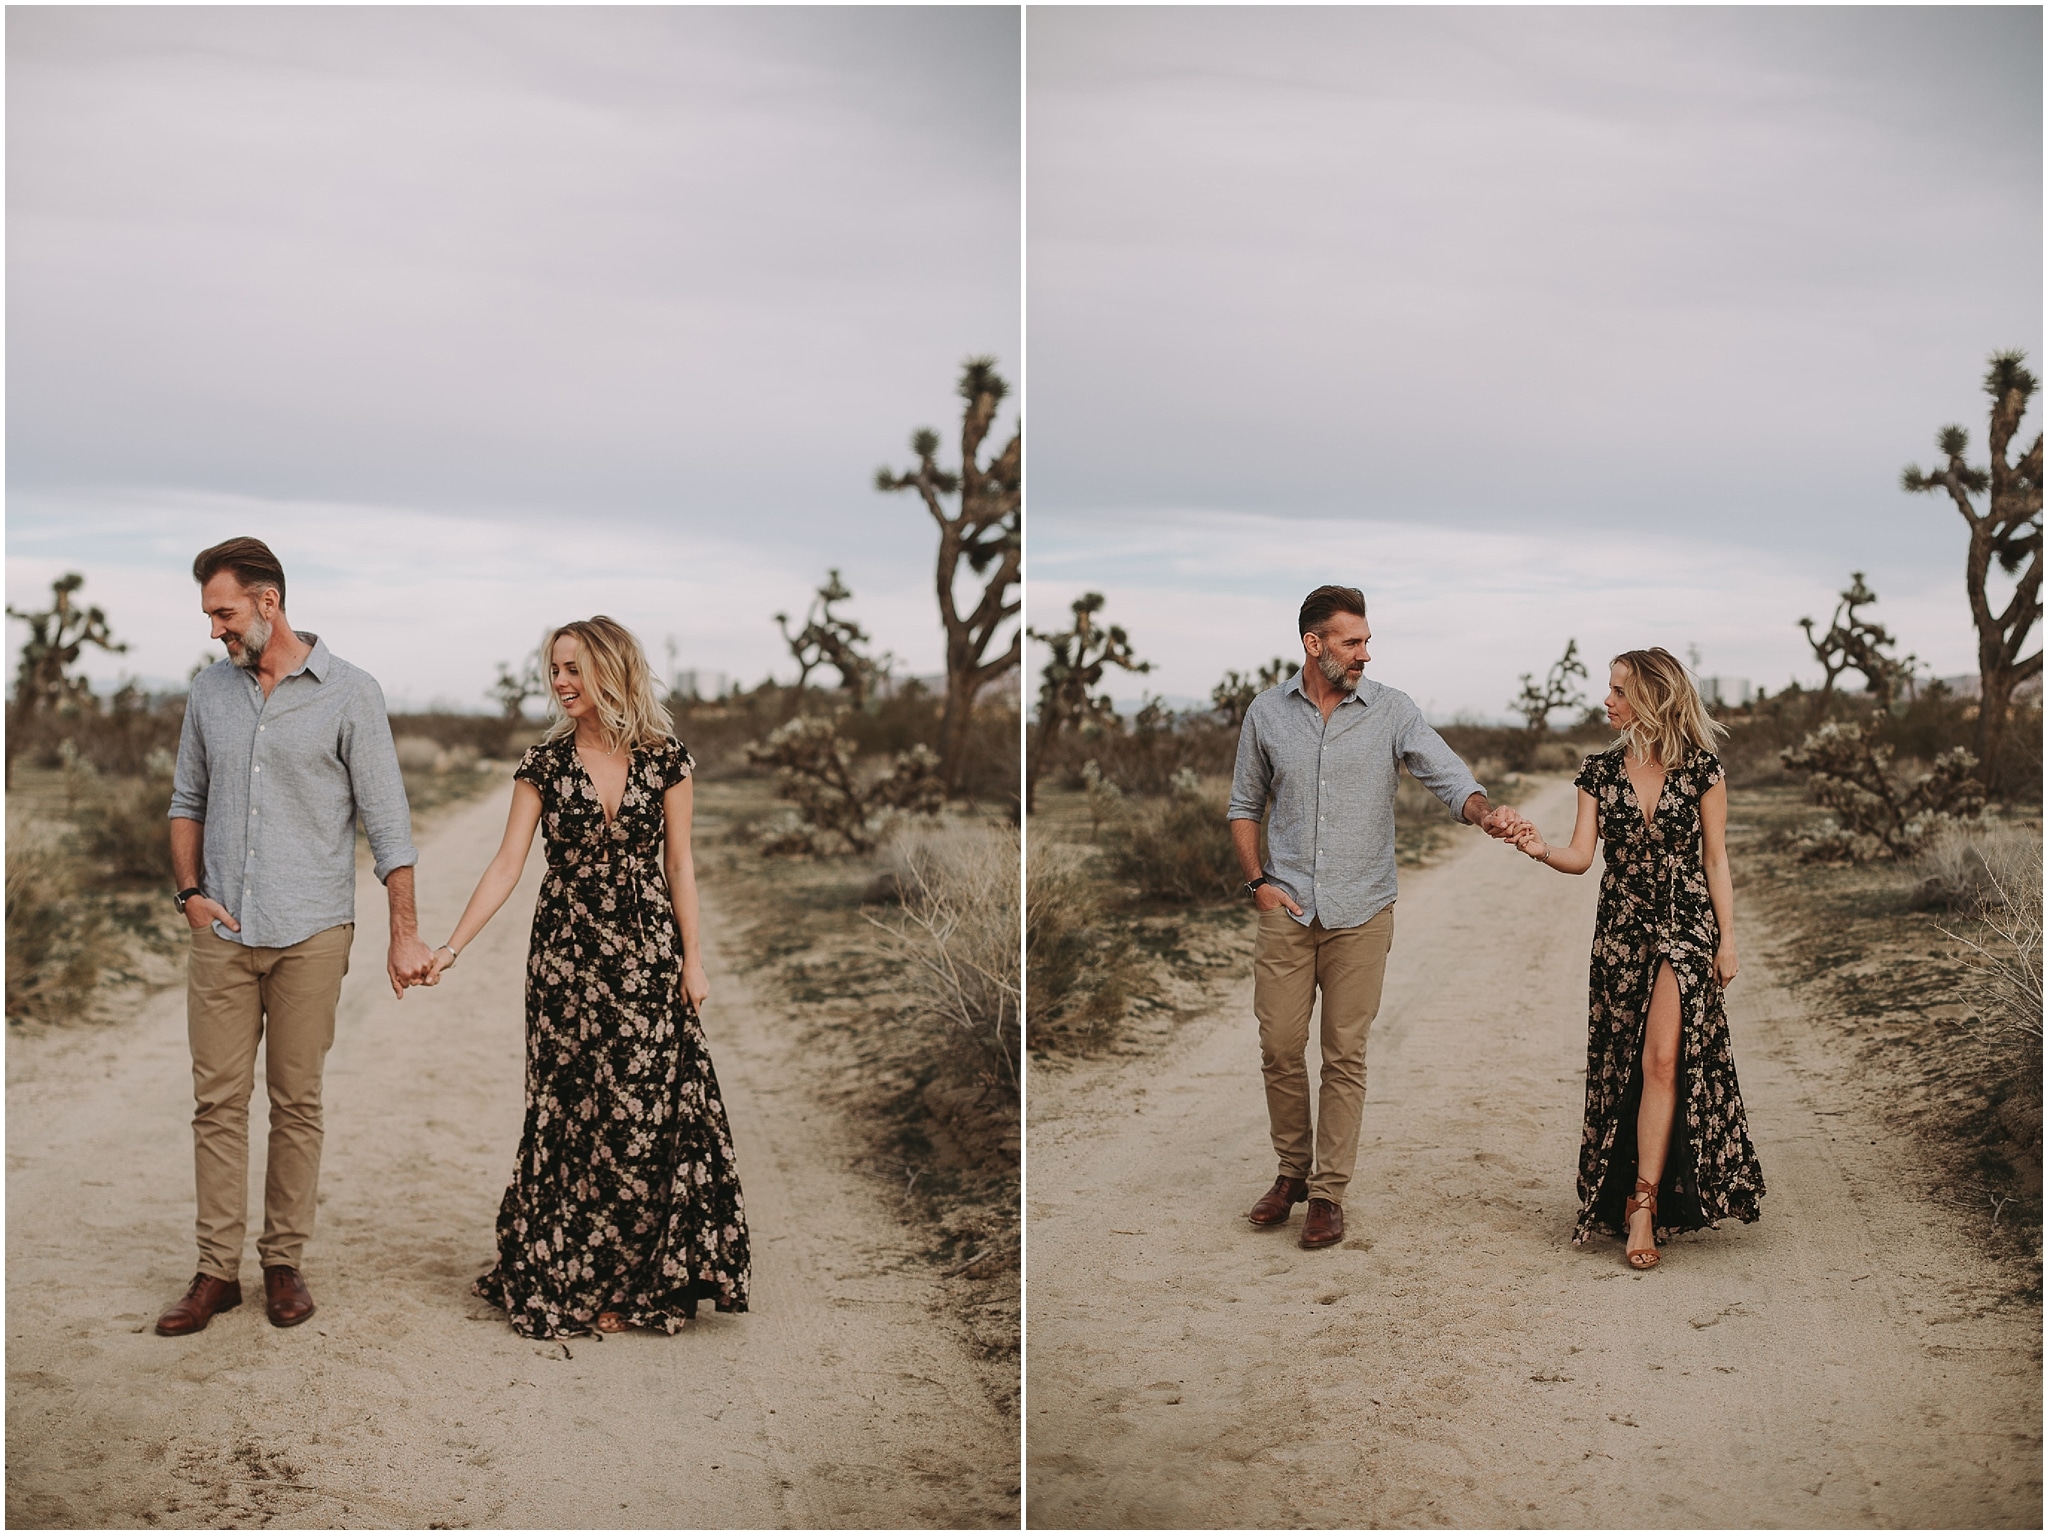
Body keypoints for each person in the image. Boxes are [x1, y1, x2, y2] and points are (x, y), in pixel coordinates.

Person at [425, 615, 750, 1337]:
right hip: (566, 960)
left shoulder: (667, 758)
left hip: (646, 954)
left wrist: (693, 960)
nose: (560, 681)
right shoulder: (543, 764)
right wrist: (452, 946)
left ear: (610, 669)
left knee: (641, 1117)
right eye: (555, 669)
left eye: (572, 667)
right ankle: (577, 1273)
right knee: (574, 1114)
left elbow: (680, 865)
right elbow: (507, 864)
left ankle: (637, 1280)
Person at [158, 537, 432, 1336]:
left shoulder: (351, 692)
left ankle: (283, 1261)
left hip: (313, 928)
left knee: (297, 1100)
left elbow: (390, 826)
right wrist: (190, 895)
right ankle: (216, 1270)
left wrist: (401, 935)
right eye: (210, 613)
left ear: (268, 602)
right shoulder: (210, 693)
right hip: (223, 931)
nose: (214, 628)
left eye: (224, 611)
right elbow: (186, 799)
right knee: (216, 1102)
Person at [1227, 585, 1524, 1249]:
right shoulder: (1266, 714)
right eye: (1352, 641)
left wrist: (1486, 812)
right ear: (1315, 645)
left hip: (1361, 908)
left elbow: (1447, 775)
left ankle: (1327, 1192)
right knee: (1278, 1044)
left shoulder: (1392, 709)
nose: (1366, 652)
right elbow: (1244, 804)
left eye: (1365, 640)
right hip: (1287, 904)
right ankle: (1290, 1171)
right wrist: (1258, 885)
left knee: (1344, 1052)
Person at [1509, 647, 1765, 1267]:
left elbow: (1715, 860)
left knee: (1660, 1059)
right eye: (1610, 689)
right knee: (1620, 1062)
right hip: (1622, 932)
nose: (1608, 700)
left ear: (1651, 696)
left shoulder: (1703, 770)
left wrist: (1727, 940)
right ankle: (1626, 1193)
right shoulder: (1598, 771)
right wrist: (1540, 849)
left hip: (1684, 923)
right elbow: (1581, 856)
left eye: (1619, 690)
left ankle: (1645, 1204)